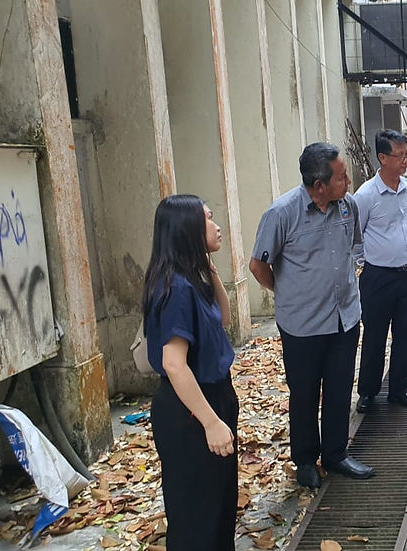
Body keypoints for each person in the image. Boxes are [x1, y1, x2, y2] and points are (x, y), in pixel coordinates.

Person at [249, 143, 374, 488]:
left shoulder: (347, 207)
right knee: (303, 394)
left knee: (338, 389)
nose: (348, 181)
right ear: (319, 185)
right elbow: (258, 265)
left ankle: (336, 455)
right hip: (302, 326)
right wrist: (287, 292)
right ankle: (305, 460)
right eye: (341, 176)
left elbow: (354, 248)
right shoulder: (282, 214)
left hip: (344, 319)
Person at [142, 194, 237, 550]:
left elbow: (223, 319)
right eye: (208, 220)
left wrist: (209, 268)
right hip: (191, 410)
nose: (217, 226)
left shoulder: (191, 278)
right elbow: (173, 363)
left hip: (214, 397)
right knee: (197, 515)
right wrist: (210, 422)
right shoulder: (176, 288)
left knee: (220, 506)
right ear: (187, 231)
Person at [353, 130, 407, 414]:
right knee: (375, 335)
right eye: (400, 155)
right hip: (378, 278)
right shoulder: (365, 195)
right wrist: (367, 262)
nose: (405, 160)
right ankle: (368, 393)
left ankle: (398, 390)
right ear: (382, 158)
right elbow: (355, 237)